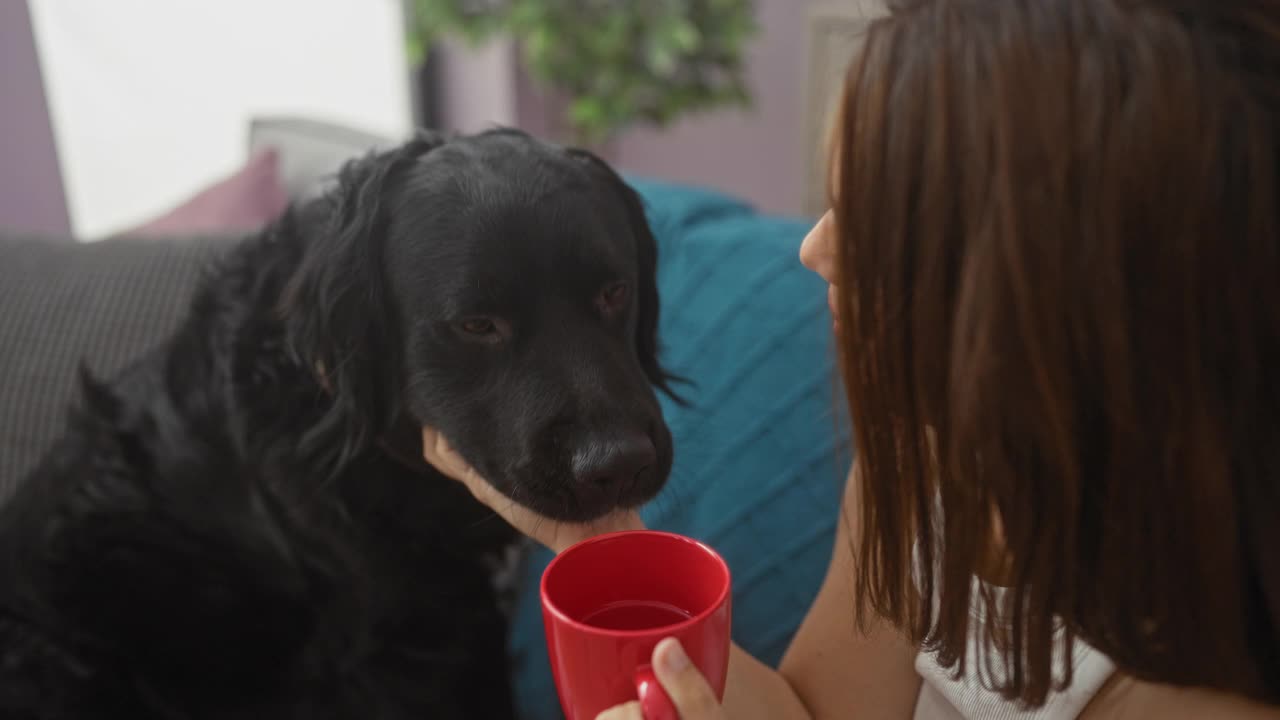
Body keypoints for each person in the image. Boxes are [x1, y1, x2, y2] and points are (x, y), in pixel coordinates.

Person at [422, 0, 1280, 717]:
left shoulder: (1197, 693)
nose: (815, 249)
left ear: (1046, 288)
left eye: (876, 223)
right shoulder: (930, 469)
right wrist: (604, 541)